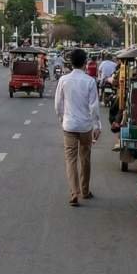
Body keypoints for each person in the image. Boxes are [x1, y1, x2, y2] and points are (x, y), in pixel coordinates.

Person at [54, 48, 101, 207]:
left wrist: (62, 120)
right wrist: (97, 126)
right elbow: (94, 107)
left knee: (71, 160)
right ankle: (85, 191)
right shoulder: (90, 81)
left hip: (69, 125)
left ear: (71, 62)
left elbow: (58, 104)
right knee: (85, 159)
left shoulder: (63, 80)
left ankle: (74, 193)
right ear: (85, 63)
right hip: (85, 126)